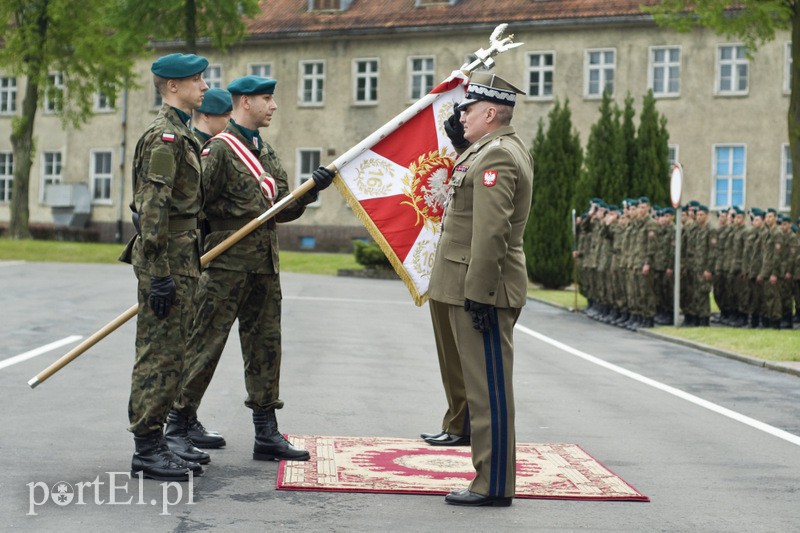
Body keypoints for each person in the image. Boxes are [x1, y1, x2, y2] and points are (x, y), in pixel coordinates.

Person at [169, 75, 334, 463]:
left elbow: (283, 207)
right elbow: (194, 204)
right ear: (244, 102)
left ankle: (266, 431)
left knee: (265, 347)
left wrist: (312, 190)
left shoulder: (266, 151)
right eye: (266, 98)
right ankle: (177, 424)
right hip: (224, 265)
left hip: (264, 264)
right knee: (204, 345)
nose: (273, 106)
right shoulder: (219, 151)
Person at [428, 72, 533, 507]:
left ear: (490, 112)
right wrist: (462, 144)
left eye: (467, 109)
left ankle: (493, 484)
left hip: (484, 287)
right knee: (480, 386)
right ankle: (487, 473)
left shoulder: (498, 157)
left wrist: (480, 293)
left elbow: (492, 232)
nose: (460, 115)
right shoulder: (489, 150)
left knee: (489, 389)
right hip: (470, 282)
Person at [120, 53, 209, 481]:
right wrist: (158, 274)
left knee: (174, 353)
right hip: (167, 260)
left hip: (181, 254)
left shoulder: (183, 134)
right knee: (159, 354)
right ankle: (147, 448)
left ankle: (158, 443)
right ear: (173, 87)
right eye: (197, 80)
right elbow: (152, 209)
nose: (205, 87)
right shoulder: (165, 139)